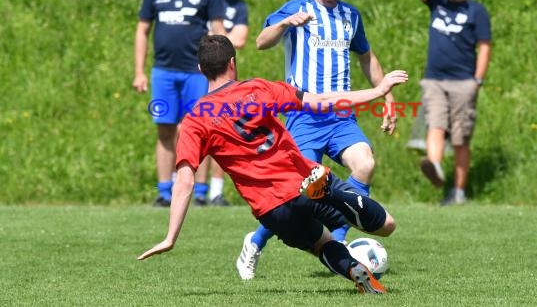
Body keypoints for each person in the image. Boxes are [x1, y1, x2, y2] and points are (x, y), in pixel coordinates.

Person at [137, 35, 409, 294]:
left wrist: (171, 236)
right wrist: (378, 90)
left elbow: (185, 180)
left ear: (200, 69)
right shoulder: (258, 89)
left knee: (321, 244)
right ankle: (333, 194)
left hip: (271, 208)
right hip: (305, 180)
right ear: (232, 62)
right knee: (387, 225)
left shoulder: (196, 118)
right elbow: (323, 102)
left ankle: (356, 272)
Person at [236, 0, 398, 280]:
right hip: (303, 115)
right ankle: (254, 243)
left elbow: (367, 57)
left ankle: (337, 245)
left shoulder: (351, 16)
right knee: (298, 194)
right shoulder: (298, 8)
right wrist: (285, 23)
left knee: (364, 163)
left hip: (341, 117)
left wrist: (388, 98)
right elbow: (261, 42)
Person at [132, 0, 226, 207]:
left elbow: (219, 30)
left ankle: (198, 192)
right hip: (163, 73)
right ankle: (164, 191)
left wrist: (223, 72)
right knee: (164, 129)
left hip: (198, 74)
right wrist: (139, 71)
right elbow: (142, 31)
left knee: (200, 130)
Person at [407, 0, 491, 206]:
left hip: (464, 81)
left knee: (460, 139)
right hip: (434, 79)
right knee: (435, 123)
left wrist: (478, 79)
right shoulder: (437, 1)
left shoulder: (476, 10)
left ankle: (458, 192)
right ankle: (434, 166)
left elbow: (484, 46)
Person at [193, 0, 249, 207]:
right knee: (194, 129)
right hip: (196, 72)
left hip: (224, 76)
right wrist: (222, 36)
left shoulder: (237, 6)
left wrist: (214, 36)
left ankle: (216, 191)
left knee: (221, 128)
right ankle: (198, 190)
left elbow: (239, 40)